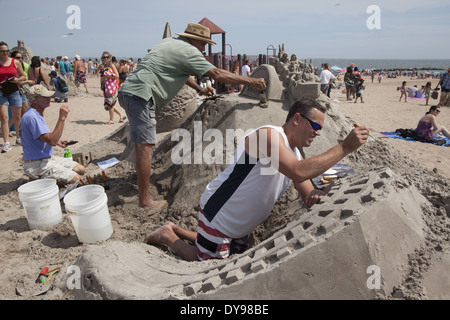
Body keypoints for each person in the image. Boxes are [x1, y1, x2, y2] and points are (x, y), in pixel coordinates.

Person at [144, 99, 369, 261]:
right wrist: (345, 147)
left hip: (240, 225)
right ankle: (167, 235)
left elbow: (307, 192)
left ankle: (178, 229)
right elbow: (299, 172)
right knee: (207, 262)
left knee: (230, 251)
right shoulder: (268, 136)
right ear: (297, 119)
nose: (318, 132)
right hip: (221, 216)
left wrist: (320, 193)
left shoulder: (295, 153)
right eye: (316, 126)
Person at [118, 22, 266, 210]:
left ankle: (142, 174)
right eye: (204, 44)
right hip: (141, 95)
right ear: (194, 40)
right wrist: (251, 81)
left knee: (142, 143)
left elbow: (181, 72)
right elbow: (217, 73)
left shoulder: (169, 43)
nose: (204, 49)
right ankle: (145, 201)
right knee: (145, 146)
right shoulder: (189, 51)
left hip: (129, 91)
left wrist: (199, 89)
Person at [19, 85, 85, 185]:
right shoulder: (33, 117)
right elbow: (51, 141)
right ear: (34, 100)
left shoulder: (35, 114)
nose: (49, 98)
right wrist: (62, 118)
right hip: (38, 163)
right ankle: (39, 179)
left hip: (46, 158)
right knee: (77, 180)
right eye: (45, 97)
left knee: (81, 169)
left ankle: (46, 179)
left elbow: (42, 137)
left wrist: (58, 141)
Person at [0, 41, 27, 152]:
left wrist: (16, 79)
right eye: (3, 51)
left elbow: (23, 76)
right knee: (4, 117)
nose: (5, 53)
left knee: (17, 117)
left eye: (7, 51)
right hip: (1, 91)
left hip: (14, 90)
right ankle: (6, 142)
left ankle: (18, 137)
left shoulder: (15, 62)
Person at [100, 51, 125, 124]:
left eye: (106, 57)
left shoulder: (111, 65)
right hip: (106, 86)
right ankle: (121, 114)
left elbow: (117, 75)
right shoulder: (104, 66)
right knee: (109, 103)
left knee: (109, 103)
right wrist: (101, 84)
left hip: (111, 87)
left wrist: (107, 75)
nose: (105, 59)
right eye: (103, 57)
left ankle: (112, 119)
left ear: (109, 58)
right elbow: (102, 77)